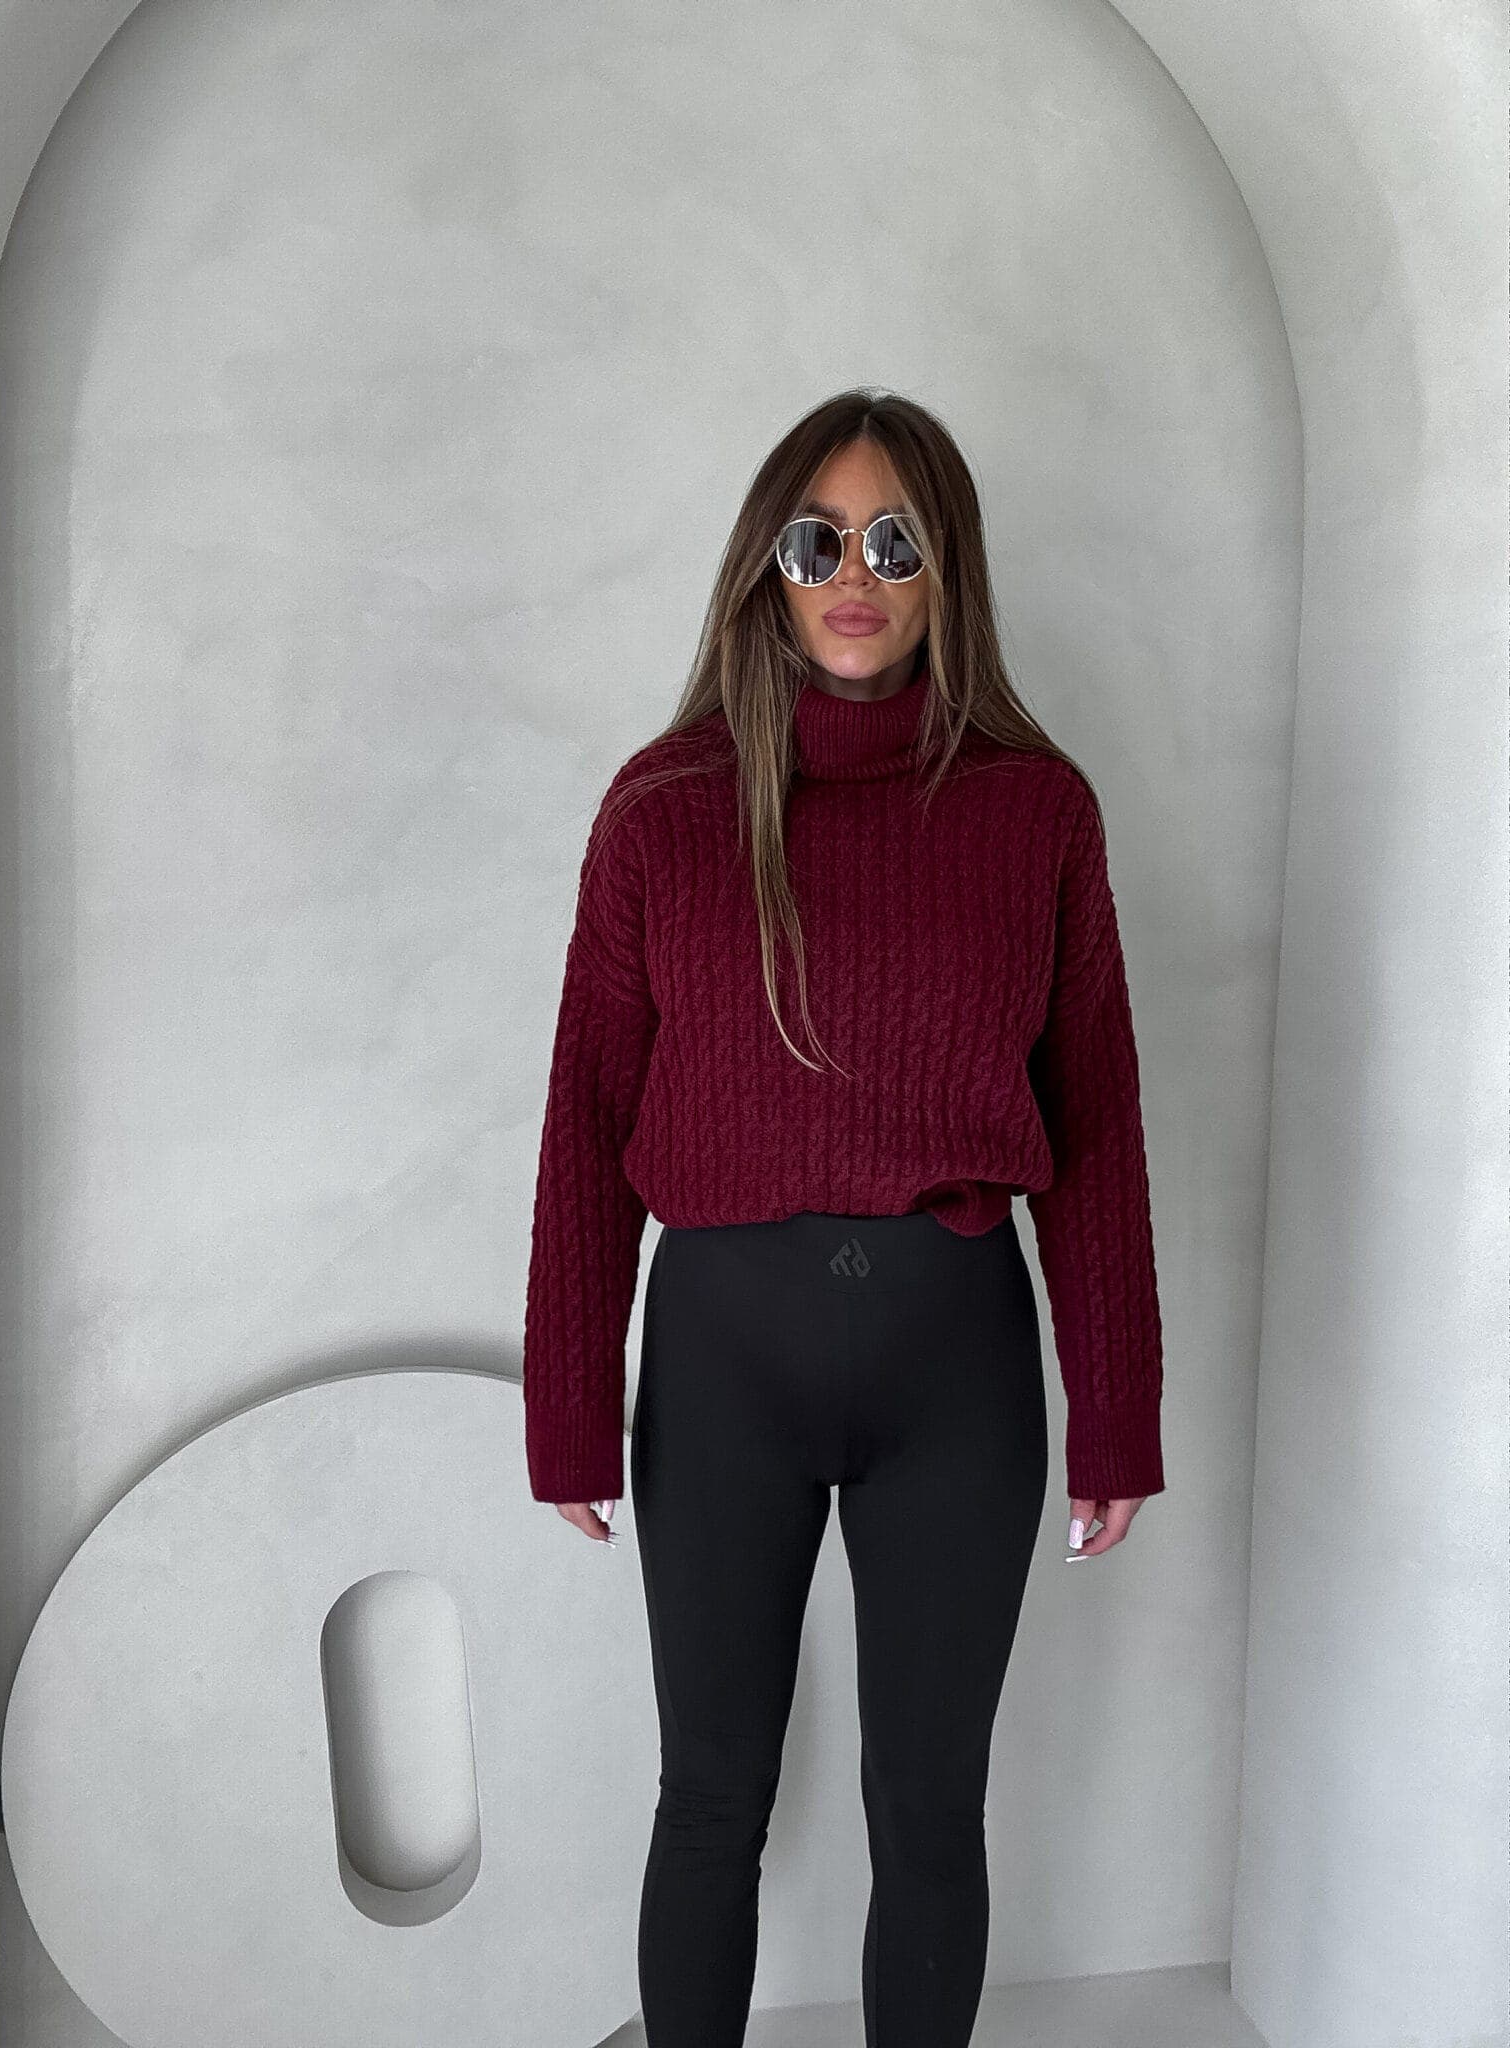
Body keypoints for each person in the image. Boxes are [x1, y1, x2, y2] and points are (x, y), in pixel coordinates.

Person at [521, 386, 1165, 2048]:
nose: (855, 576)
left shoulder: (1036, 811)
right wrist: (568, 1410)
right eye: (818, 542)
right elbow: (588, 1118)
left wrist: (1120, 1413)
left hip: (959, 1374)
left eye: (896, 540)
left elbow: (1096, 1123)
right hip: (722, 1367)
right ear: (768, 565)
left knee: (931, 1810)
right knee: (710, 1794)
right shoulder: (665, 810)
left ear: (950, 569)